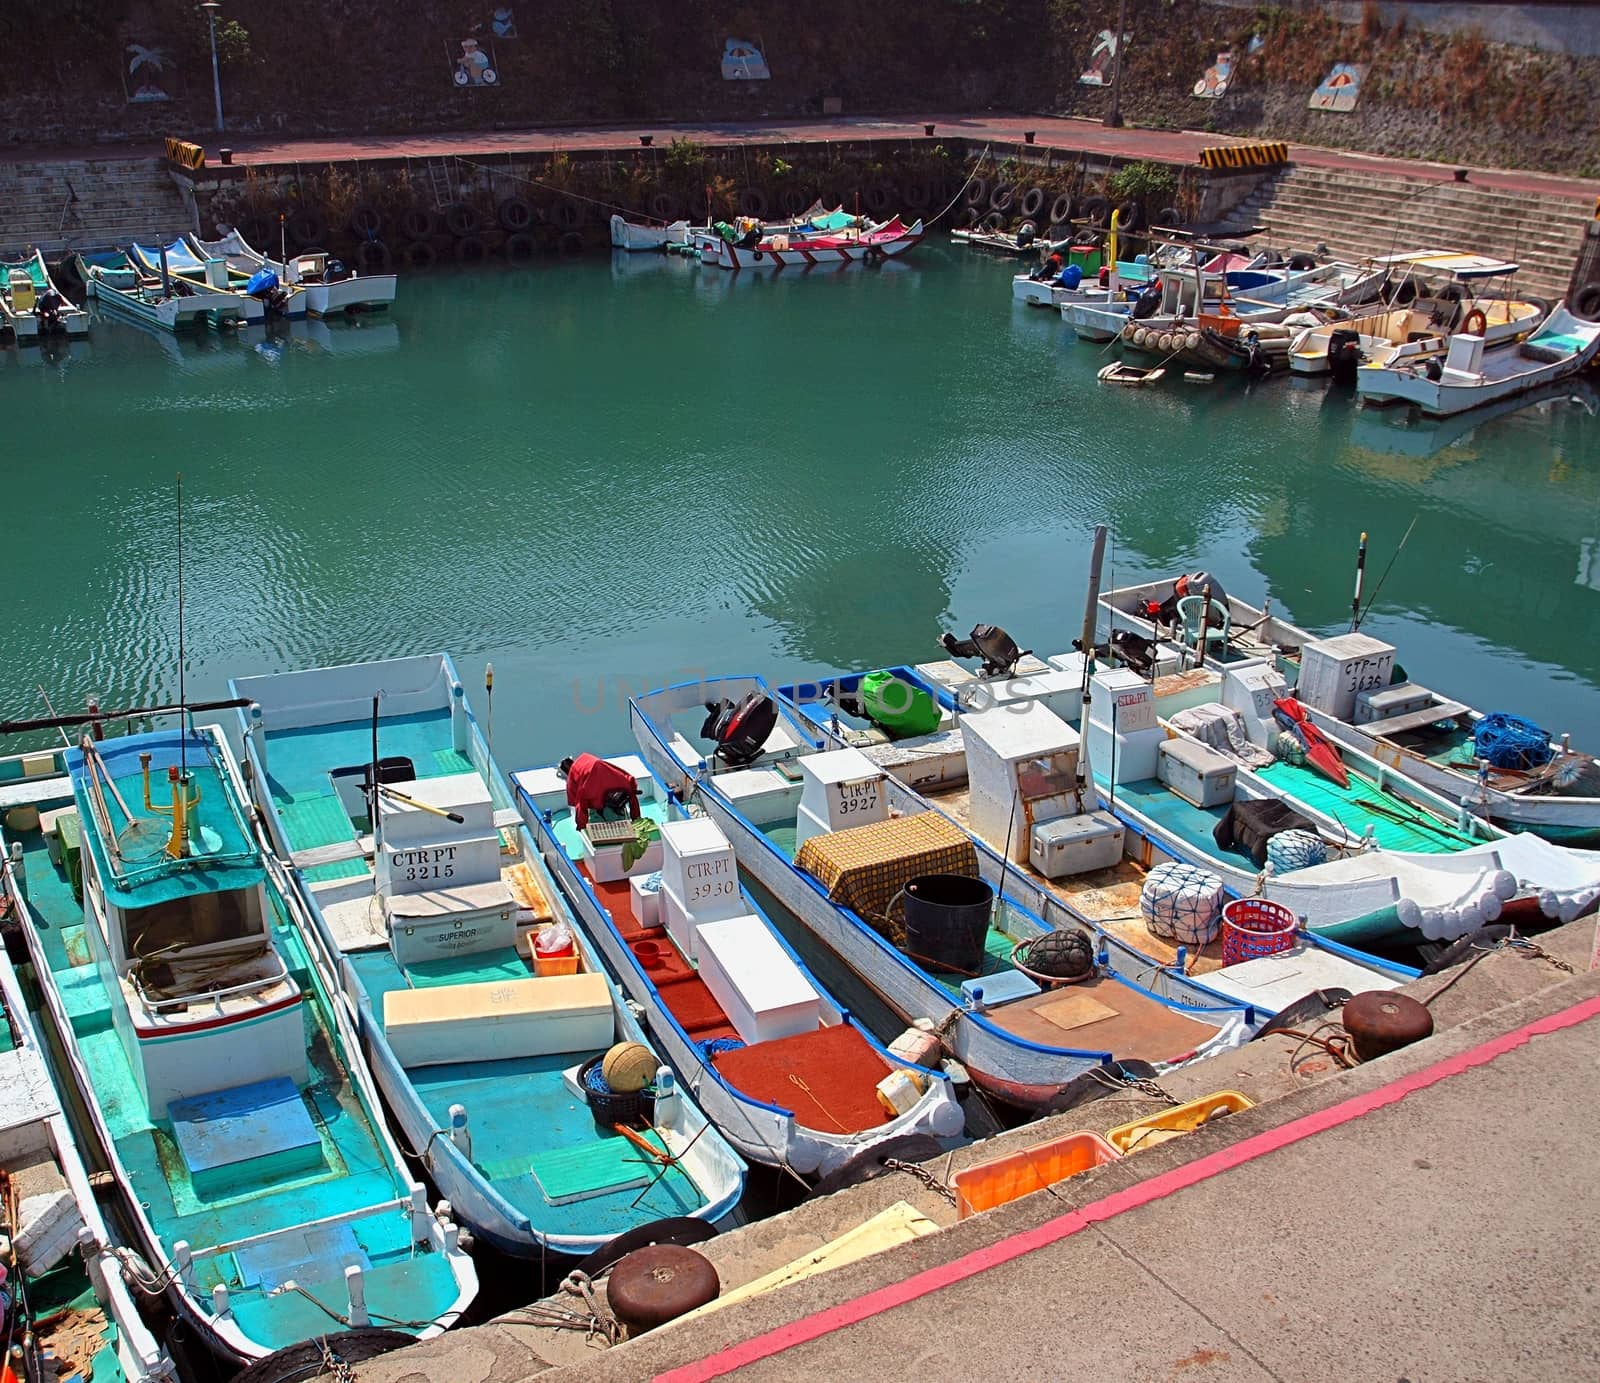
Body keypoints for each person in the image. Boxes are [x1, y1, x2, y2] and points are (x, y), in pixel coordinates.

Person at [558, 753, 641, 830]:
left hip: (598, 795)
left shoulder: (574, 781)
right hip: (614, 788)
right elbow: (632, 790)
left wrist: (581, 828)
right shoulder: (586, 758)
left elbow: (580, 805)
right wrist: (636, 818)